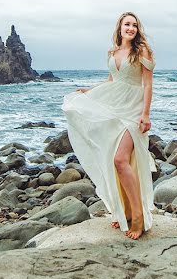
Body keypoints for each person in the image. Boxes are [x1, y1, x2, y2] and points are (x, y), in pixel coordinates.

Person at [62, 12, 155, 239]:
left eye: (134, 25)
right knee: (112, 160)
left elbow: (147, 84)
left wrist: (145, 114)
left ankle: (139, 216)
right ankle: (124, 212)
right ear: (120, 27)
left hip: (132, 110)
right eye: (127, 24)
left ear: (137, 30)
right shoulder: (112, 52)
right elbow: (112, 81)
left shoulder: (141, 51)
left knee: (120, 160)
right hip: (115, 107)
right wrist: (90, 91)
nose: (131, 28)